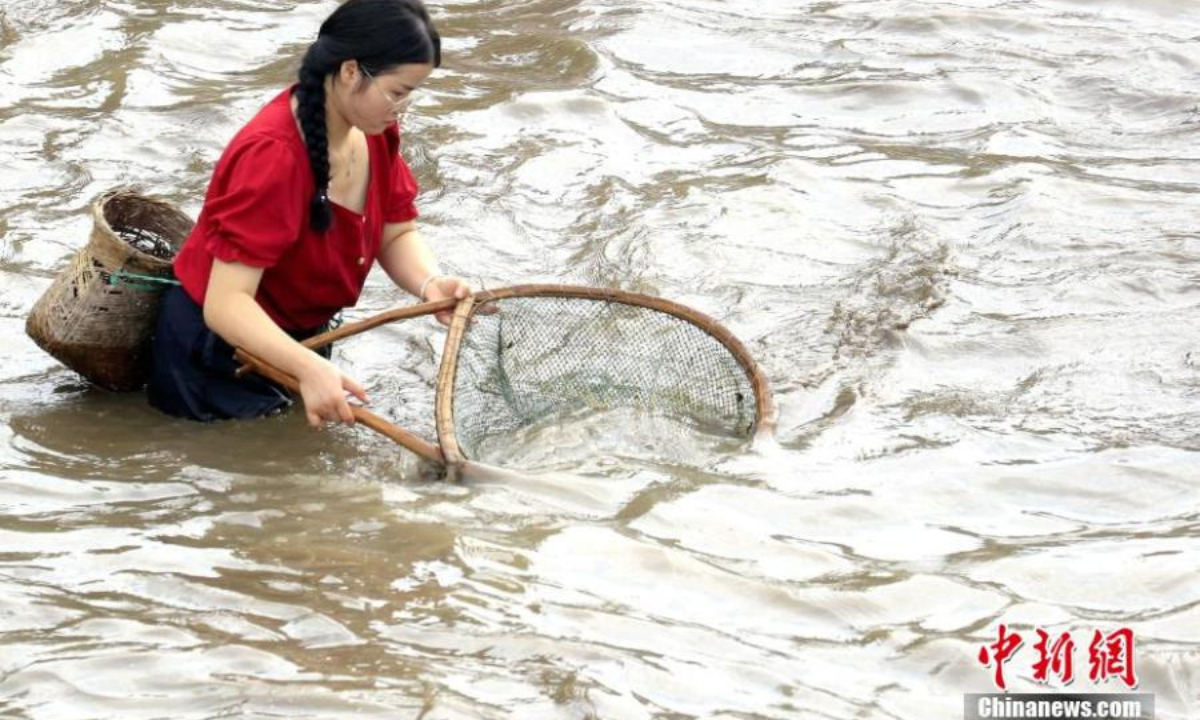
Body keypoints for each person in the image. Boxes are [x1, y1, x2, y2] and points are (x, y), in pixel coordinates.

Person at [147, 0, 467, 428]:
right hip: (220, 355)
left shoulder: (373, 130)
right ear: (351, 71)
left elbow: (394, 230)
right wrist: (310, 369)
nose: (402, 108)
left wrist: (429, 283)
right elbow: (226, 304)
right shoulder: (273, 156)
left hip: (299, 342)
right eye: (397, 92)